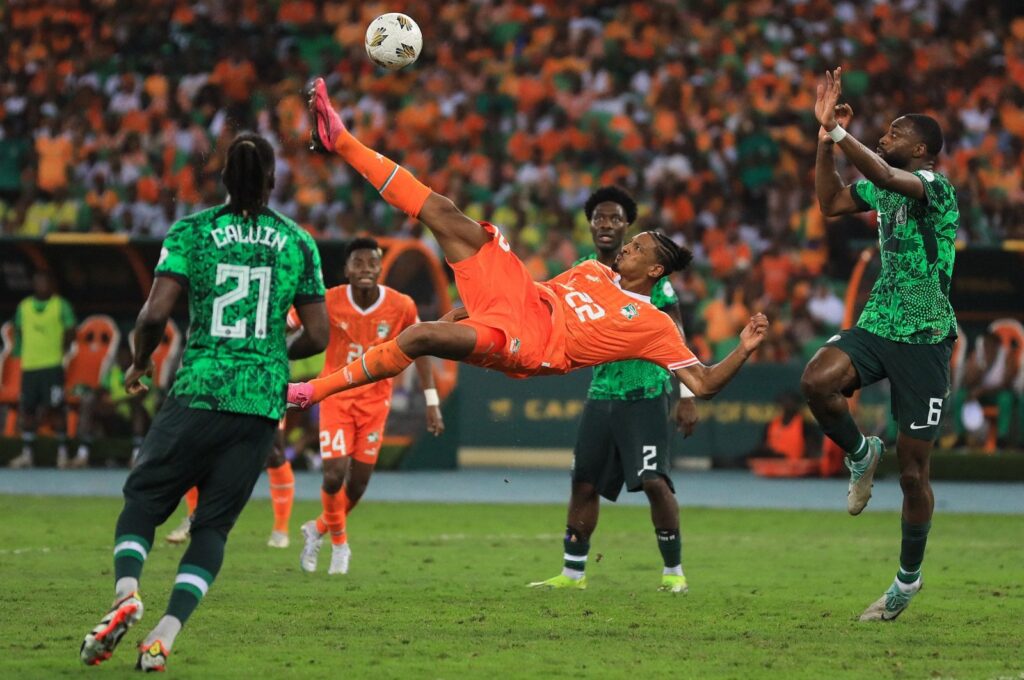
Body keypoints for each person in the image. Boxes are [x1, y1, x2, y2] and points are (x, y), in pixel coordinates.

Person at [290, 78, 766, 452]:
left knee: (420, 336)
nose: (627, 248)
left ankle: (313, 391)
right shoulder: (592, 270)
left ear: (656, 269)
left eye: (638, 247)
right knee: (444, 213)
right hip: (523, 297)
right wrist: (470, 306)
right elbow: (540, 292)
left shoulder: (654, 324)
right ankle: (342, 139)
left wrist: (743, 349)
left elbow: (702, 382)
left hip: (534, 345)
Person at [79, 131, 328, 671]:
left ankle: (126, 596)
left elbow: (152, 316)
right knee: (212, 527)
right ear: (273, 181)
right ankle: (164, 636)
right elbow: (319, 334)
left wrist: (141, 361)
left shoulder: (191, 231)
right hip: (259, 403)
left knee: (143, 500)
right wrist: (270, 353)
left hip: (200, 387)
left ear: (221, 179)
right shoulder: (298, 241)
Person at [802, 68, 959, 621]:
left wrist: (845, 137)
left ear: (920, 147)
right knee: (817, 380)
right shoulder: (884, 177)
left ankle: (906, 581)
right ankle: (862, 452)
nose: (885, 136)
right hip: (880, 321)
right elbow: (831, 204)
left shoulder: (936, 189)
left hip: (925, 338)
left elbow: (892, 179)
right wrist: (825, 143)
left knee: (915, 474)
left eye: (894, 133)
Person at [529, 186, 700, 593]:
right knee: (584, 481)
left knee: (654, 481)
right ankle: (572, 575)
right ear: (590, 225)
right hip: (602, 390)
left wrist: (687, 395)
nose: (605, 225)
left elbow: (676, 331)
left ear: (627, 225)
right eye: (598, 218)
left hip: (646, 388)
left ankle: (673, 573)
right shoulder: (585, 269)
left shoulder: (651, 271)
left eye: (614, 218)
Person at [297, 236, 445, 575]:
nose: (366, 269)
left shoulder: (401, 306)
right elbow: (291, 321)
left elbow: (420, 348)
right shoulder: (328, 300)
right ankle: (339, 545)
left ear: (381, 269)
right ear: (346, 270)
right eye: (358, 263)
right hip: (335, 398)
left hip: (376, 403)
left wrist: (431, 401)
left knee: (359, 483)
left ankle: (317, 528)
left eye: (372, 263)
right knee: (334, 476)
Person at [8, 270, 76, 469]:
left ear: (51, 284)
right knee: (27, 409)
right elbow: (17, 329)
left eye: (45, 281)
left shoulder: (60, 305)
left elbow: (71, 330)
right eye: (38, 282)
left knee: (56, 409)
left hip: (52, 365)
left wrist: (62, 350)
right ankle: (27, 454)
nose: (42, 285)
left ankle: (62, 454)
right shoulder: (24, 307)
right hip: (30, 366)